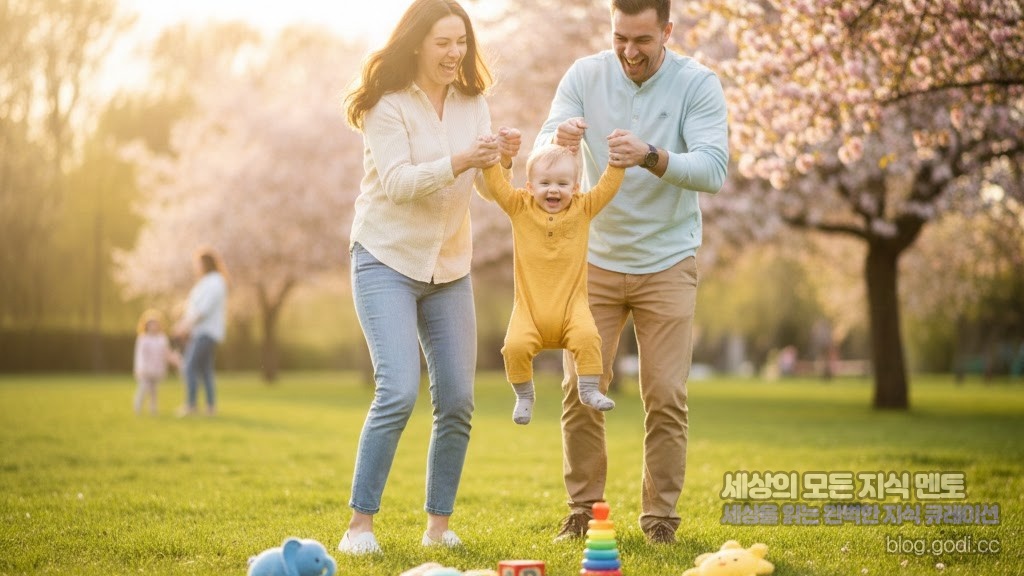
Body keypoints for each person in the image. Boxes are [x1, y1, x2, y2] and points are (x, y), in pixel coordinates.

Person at [535, 0, 729, 544]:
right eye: (620, 37)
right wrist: (560, 141)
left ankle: (660, 519)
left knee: (665, 392)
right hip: (594, 258)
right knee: (580, 385)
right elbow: (541, 146)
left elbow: (714, 169)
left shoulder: (697, 84)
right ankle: (584, 509)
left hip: (667, 259)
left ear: (667, 31)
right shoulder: (584, 75)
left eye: (642, 40)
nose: (629, 51)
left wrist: (650, 155)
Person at [338, 0, 520, 556]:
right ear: (417, 42)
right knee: (396, 390)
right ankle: (359, 528)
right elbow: (396, 183)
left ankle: (438, 529)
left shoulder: (473, 102)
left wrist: (501, 160)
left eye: (461, 42)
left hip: (449, 266)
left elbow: (489, 189)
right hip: (385, 258)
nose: (454, 53)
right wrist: (464, 158)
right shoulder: (387, 105)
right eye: (443, 42)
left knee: (459, 399)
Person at [482, 143, 626, 425]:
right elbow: (497, 186)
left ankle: (588, 390)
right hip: (530, 310)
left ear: (574, 187)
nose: (553, 190)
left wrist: (617, 163)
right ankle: (524, 395)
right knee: (514, 346)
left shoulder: (583, 208)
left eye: (562, 183)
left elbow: (606, 189)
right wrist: (492, 161)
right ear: (529, 186)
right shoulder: (519, 208)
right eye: (545, 183)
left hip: (573, 308)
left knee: (588, 338)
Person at [173, 247, 228, 417]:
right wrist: (183, 321)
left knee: (189, 367)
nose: (196, 267)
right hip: (200, 331)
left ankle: (191, 405)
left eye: (198, 263)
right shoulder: (206, 282)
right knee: (205, 370)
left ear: (205, 264)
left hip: (207, 332)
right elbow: (194, 307)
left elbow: (203, 309)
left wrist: (184, 326)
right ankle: (211, 407)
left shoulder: (215, 282)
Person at [132, 309, 181, 415]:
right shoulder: (143, 339)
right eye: (151, 324)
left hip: (157, 369)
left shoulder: (162, 339)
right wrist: (139, 369)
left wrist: (176, 360)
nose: (153, 327)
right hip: (145, 369)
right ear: (146, 325)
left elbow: (166, 353)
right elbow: (139, 356)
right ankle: (137, 407)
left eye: (155, 324)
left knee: (154, 391)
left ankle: (153, 410)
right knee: (143, 388)